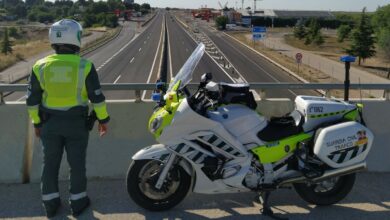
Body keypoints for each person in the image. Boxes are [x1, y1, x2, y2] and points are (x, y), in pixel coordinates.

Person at [26, 19, 110, 218]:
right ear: (77, 38)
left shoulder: (39, 66)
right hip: (77, 125)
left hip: (49, 124)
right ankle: (78, 202)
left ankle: (50, 204)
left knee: (50, 163)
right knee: (77, 164)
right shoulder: (86, 66)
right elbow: (97, 99)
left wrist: (36, 122)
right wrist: (103, 120)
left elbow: (31, 101)